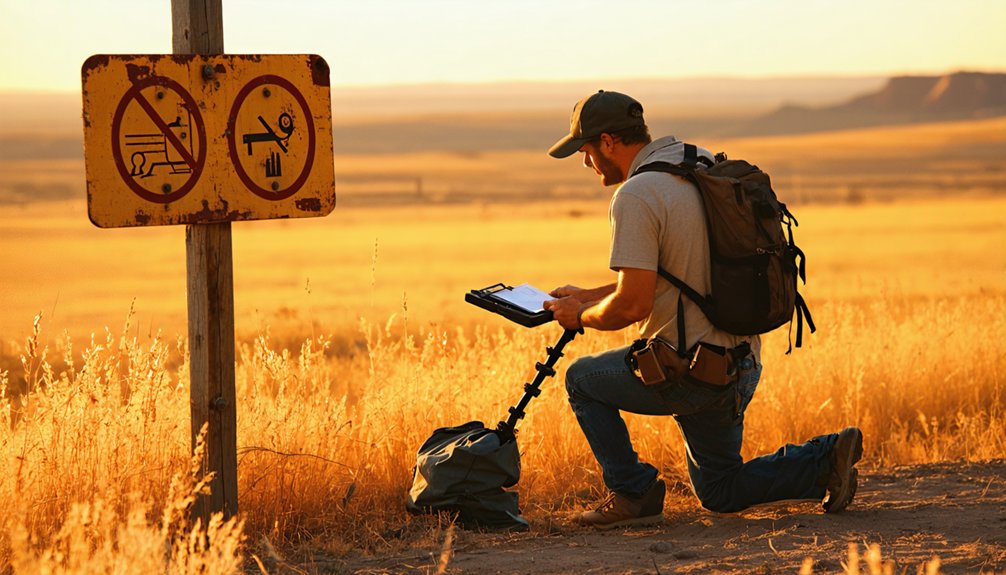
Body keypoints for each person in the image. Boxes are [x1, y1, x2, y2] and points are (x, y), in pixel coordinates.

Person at [542, 90, 863, 529]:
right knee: (720, 490)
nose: (586, 163)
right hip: (740, 364)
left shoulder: (636, 195)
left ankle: (632, 494)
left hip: (687, 371)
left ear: (610, 141)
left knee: (581, 380)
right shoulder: (700, 164)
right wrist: (586, 297)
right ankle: (825, 458)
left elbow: (633, 304)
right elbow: (668, 274)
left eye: (586, 151)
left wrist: (578, 317)